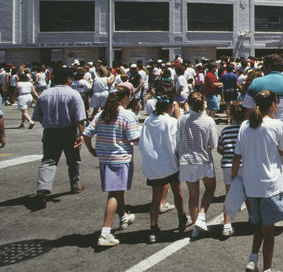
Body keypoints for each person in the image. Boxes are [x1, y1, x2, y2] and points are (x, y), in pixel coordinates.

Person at [243, 53, 283, 230]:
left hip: (258, 130)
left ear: (268, 67)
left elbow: (247, 111)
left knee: (257, 169)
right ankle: (277, 216)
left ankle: (255, 215)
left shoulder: (256, 83)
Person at [233, 90, 283, 272]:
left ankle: (252, 258)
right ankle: (267, 268)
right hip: (270, 183)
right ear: (273, 105)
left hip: (251, 183)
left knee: (258, 223)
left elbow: (238, 154)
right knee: (269, 229)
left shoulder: (245, 125)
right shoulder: (277, 125)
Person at [83, 87, 140, 247]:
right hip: (120, 158)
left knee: (117, 189)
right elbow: (133, 138)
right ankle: (105, 232)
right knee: (114, 194)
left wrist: (92, 150)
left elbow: (86, 134)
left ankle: (123, 217)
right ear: (124, 98)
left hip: (104, 157)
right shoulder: (128, 115)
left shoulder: (102, 113)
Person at [32, 66, 87, 207]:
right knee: (73, 159)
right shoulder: (74, 94)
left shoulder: (44, 94)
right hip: (69, 131)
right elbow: (80, 118)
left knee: (49, 161)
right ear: (69, 79)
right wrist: (82, 134)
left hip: (50, 131)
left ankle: (42, 189)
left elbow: (37, 116)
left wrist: (48, 124)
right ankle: (75, 185)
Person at [140, 91, 187, 243]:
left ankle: (153, 228)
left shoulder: (147, 120)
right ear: (169, 107)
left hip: (153, 163)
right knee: (177, 190)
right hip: (170, 161)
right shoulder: (172, 122)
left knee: (155, 197)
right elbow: (177, 143)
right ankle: (181, 218)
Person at [177, 91, 218, 239]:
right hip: (202, 158)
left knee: (193, 195)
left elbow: (178, 139)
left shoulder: (182, 119)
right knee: (210, 188)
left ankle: (196, 225)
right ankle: (201, 216)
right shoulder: (208, 121)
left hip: (186, 159)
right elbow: (213, 144)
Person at [218, 101, 245, 237]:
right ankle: (253, 217)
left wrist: (227, 153)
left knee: (229, 195)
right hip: (243, 165)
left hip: (228, 164)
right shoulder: (246, 129)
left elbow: (220, 148)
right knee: (249, 193)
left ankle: (226, 224)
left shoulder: (225, 130)